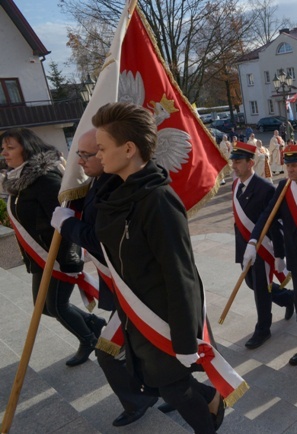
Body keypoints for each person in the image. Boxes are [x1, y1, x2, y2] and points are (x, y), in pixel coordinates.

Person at [91, 102, 224, 433]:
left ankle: (208, 419)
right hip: (136, 312)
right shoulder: (117, 193)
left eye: (103, 148)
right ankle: (209, 398)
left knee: (173, 386)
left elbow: (181, 274)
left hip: (163, 318)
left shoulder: (158, 200)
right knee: (160, 383)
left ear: (129, 148)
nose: (99, 155)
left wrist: (184, 340)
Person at [51, 129, 165, 427]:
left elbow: (103, 238)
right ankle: (158, 391)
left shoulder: (117, 188)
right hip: (120, 286)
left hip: (135, 287)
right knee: (141, 348)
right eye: (83, 153)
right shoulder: (98, 183)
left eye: (90, 153)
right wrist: (71, 205)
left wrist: (68, 227)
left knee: (108, 351)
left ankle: (180, 396)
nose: (83, 160)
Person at [1, 128, 101, 367]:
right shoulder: (19, 179)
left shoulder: (46, 180)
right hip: (39, 255)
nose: (4, 152)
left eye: (10, 147)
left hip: (57, 256)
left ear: (28, 148)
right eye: (3, 148)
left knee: (56, 306)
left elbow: (65, 219)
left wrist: (65, 258)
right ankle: (93, 323)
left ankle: (89, 339)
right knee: (44, 307)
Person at [246, 144, 297, 366]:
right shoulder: (283, 188)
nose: (290, 170)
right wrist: (254, 240)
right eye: (287, 165)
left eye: (295, 165)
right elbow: (267, 216)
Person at [232, 141, 294, 349]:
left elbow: (274, 224)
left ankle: (263, 329)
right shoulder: (235, 185)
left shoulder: (265, 188)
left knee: (260, 289)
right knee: (251, 284)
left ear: (251, 163)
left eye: (238, 161)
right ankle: (287, 297)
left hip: (262, 249)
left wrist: (279, 254)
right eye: (233, 161)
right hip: (244, 248)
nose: (234, 165)